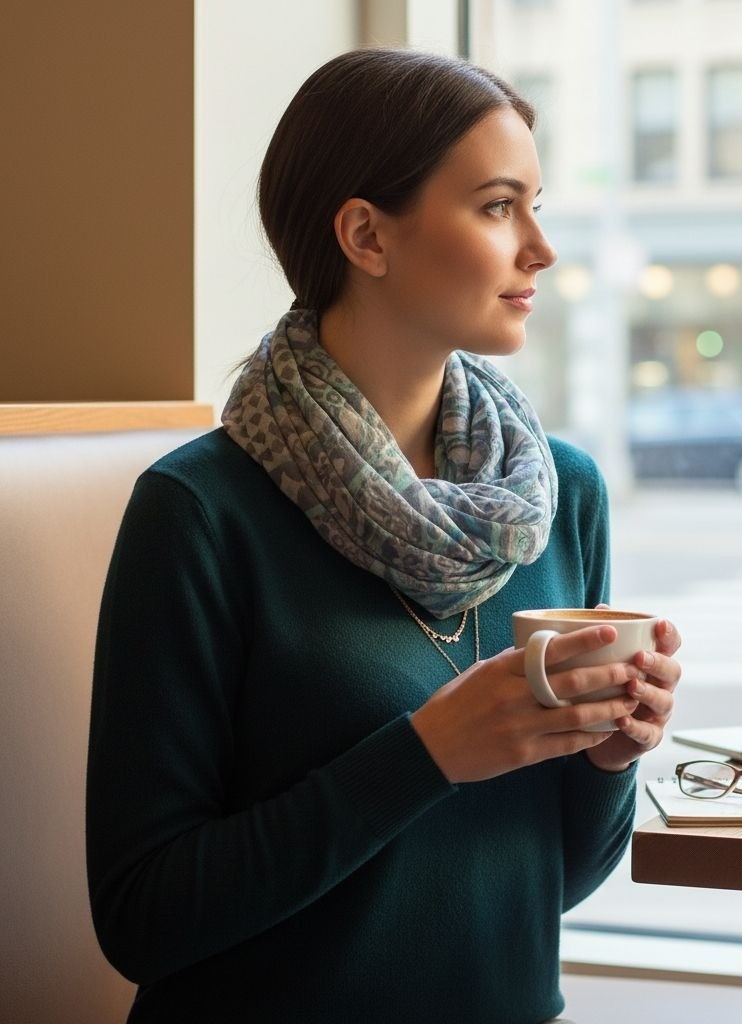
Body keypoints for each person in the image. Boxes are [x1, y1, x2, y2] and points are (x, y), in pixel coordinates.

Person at [86, 47, 681, 1024]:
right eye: (498, 206)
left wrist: (608, 757)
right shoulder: (200, 512)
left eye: (535, 205)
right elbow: (141, 919)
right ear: (366, 234)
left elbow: (551, 890)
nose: (540, 247)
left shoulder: (558, 495)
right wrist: (426, 753)